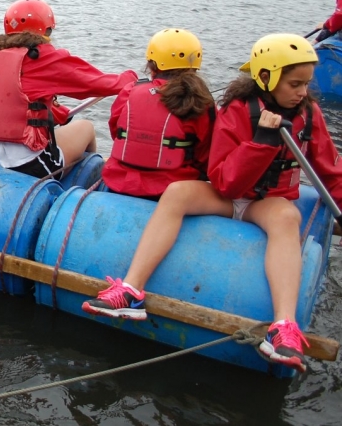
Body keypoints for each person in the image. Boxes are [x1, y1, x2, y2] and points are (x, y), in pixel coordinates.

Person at [82, 33, 340, 373]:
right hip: (227, 195)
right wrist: (262, 142)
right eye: (295, 84)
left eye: (306, 84)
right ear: (267, 77)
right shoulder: (237, 110)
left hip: (266, 201)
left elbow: (331, 171)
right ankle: (131, 290)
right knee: (177, 192)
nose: (302, 92)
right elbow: (224, 181)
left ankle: (283, 326)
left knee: (287, 217)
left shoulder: (310, 115)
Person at [0, 0, 137, 179]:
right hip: (26, 164)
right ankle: (89, 177)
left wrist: (59, 113)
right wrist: (132, 78)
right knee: (86, 127)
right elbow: (99, 83)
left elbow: (12, 103)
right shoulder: (42, 58)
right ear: (45, 30)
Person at [101, 28, 216, 199]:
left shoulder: (130, 90)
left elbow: (116, 132)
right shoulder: (201, 102)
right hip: (174, 189)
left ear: (152, 65)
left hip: (120, 182)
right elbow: (206, 154)